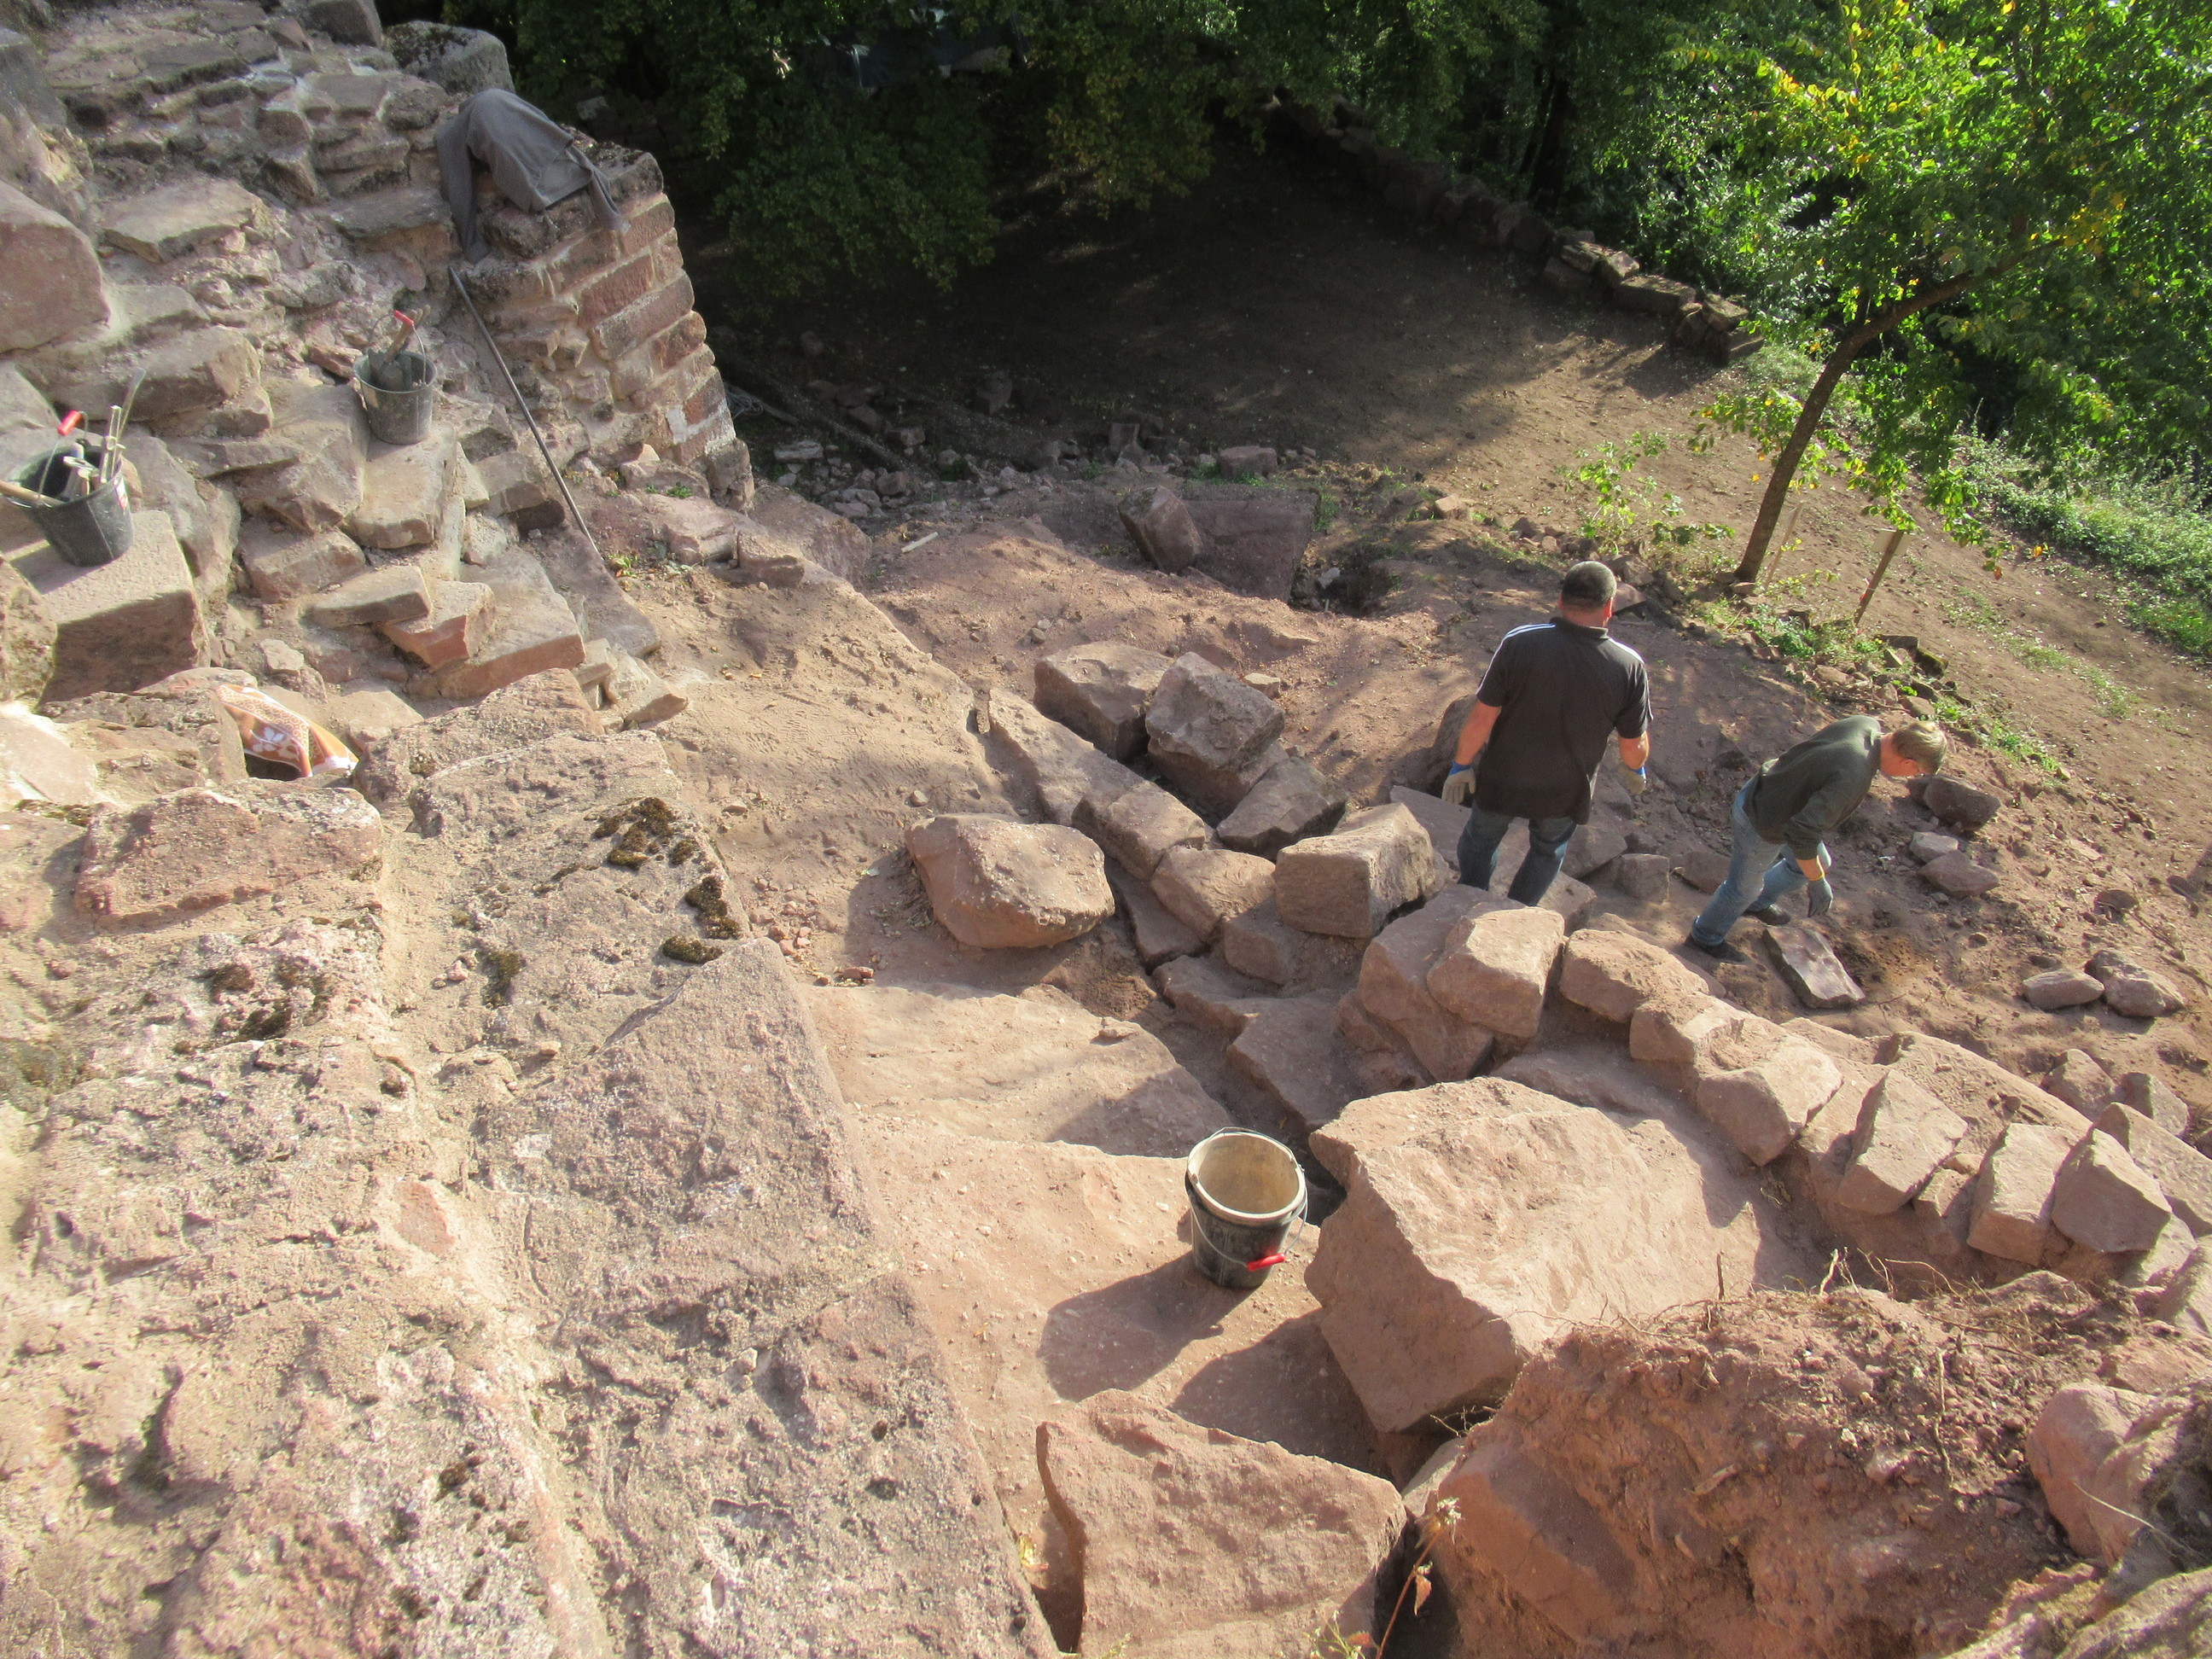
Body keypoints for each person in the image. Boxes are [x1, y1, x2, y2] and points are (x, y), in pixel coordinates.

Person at [1440, 561, 1651, 905]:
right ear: (1609, 608)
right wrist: (1636, 768)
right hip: (1567, 789)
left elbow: (1482, 717)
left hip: (1505, 775)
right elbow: (1633, 744)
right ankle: (1517, 912)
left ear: (1560, 600)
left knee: (1481, 838)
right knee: (1548, 850)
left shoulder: (1521, 642)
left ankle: (1470, 897)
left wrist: (1461, 765)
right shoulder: (1629, 666)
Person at [1686, 715, 1948, 963]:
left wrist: (1815, 872)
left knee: (1815, 864)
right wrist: (1817, 882)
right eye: (1917, 772)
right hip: (1761, 820)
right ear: (1908, 763)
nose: (1911, 777)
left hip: (1772, 792)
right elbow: (1803, 832)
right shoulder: (1855, 774)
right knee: (1742, 889)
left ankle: (1757, 903)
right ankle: (1705, 937)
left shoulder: (1865, 724)